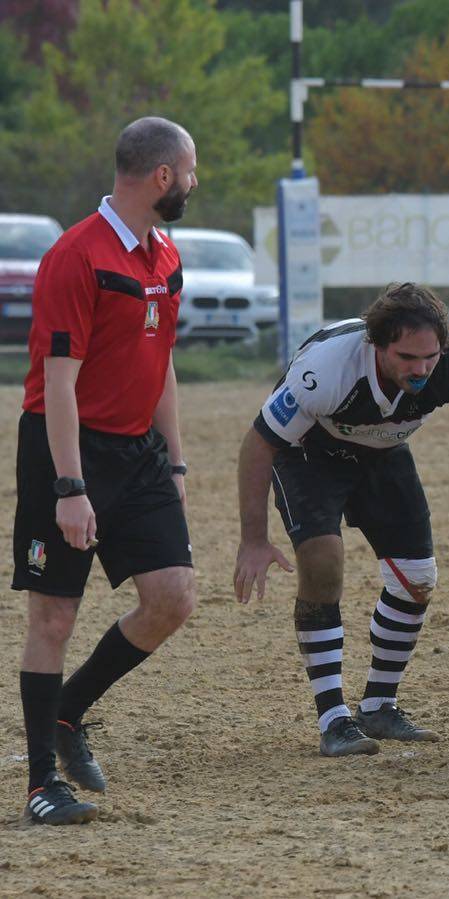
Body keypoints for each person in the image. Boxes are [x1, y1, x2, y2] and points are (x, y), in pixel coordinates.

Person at [233, 283, 449, 756]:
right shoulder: (325, 370)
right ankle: (334, 719)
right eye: (407, 357)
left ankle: (379, 706)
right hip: (308, 453)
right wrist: (253, 538)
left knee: (417, 580)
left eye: (429, 357)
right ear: (376, 344)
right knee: (323, 563)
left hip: (384, 452)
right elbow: (259, 443)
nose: (421, 369)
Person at [14, 117, 199, 825]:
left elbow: (163, 365)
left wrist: (174, 461)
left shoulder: (165, 254)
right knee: (54, 616)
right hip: (66, 449)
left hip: (139, 451)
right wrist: (70, 487)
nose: (193, 182)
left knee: (173, 597)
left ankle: (67, 713)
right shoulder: (76, 256)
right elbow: (57, 382)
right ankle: (39, 786)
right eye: (189, 170)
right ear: (161, 177)